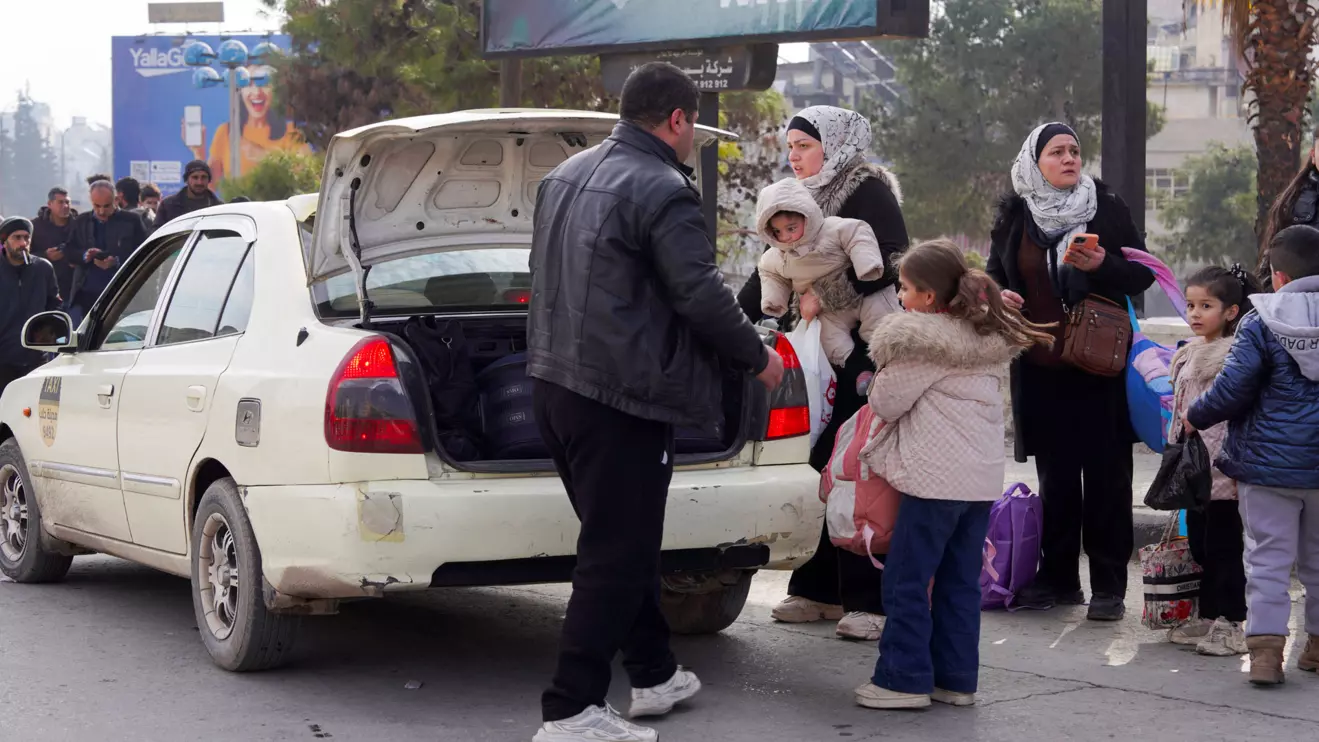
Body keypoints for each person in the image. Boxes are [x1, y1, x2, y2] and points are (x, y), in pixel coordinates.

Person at [527, 62, 784, 742]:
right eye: (691, 125)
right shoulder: (663, 188)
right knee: (615, 551)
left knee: (625, 541)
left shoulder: (564, 175)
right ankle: (570, 709)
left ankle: (653, 673)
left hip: (554, 384)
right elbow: (699, 293)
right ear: (677, 120)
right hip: (622, 398)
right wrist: (757, 357)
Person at [854, 240, 1053, 710]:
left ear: (928, 297)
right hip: (979, 483)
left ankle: (902, 681)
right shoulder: (986, 337)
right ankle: (956, 679)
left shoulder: (922, 344)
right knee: (959, 582)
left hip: (933, 480)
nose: (900, 296)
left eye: (905, 288)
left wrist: (877, 376)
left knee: (907, 579)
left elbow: (885, 402)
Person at [744, 105, 910, 642]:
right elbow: (770, 265)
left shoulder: (868, 189)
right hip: (815, 351)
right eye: (790, 146)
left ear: (833, 145)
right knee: (818, 462)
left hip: (865, 348)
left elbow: (891, 262)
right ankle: (818, 589)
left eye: (804, 145)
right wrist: (731, 324)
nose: (794, 156)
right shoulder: (794, 198)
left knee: (855, 468)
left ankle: (868, 600)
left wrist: (823, 295)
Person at [986, 122, 1155, 621]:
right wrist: (1000, 295)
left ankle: (1108, 587)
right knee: (1056, 480)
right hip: (1041, 366)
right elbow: (994, 275)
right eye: (1056, 152)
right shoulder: (1015, 215)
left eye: (1074, 151)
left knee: (1107, 479)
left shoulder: (1105, 206)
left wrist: (1102, 262)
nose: (1069, 159)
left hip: (1099, 367)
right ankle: (1059, 580)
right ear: (1034, 162)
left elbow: (1142, 274)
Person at [1187, 225, 1319, 686]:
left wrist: (1195, 415)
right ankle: (1316, 648)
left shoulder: (1261, 320)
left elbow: (1232, 389)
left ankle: (1265, 654)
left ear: (1279, 276)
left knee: (1267, 558)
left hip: (1267, 466)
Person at [1164, 265, 1258, 657]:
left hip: (1223, 469)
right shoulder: (1189, 352)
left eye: (1206, 305)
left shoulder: (1235, 355)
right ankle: (1207, 614)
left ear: (1231, 311)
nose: (1196, 313)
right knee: (1200, 546)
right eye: (1191, 305)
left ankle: (1232, 623)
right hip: (1194, 468)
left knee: (1224, 547)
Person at [755, 178, 897, 366]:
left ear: (807, 217)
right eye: (778, 232)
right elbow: (769, 273)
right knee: (827, 339)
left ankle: (890, 364)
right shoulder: (778, 255)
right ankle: (858, 370)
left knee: (881, 323)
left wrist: (867, 264)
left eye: (791, 228)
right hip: (827, 311)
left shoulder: (832, 229)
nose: (786, 236)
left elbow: (857, 234)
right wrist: (774, 302)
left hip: (864, 292)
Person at [182, 64, 311, 182]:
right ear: (240, 91)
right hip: (236, 201)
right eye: (249, 84)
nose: (257, 92)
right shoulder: (226, 132)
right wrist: (198, 152)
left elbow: (308, 176)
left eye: (264, 84)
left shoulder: (293, 132)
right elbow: (209, 186)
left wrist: (265, 156)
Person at [66, 180, 148, 325]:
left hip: (122, 291)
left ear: (116, 200)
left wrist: (116, 261)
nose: (101, 212)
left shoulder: (132, 221)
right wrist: (85, 255)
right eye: (97, 206)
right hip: (87, 293)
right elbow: (69, 250)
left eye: (106, 206)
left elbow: (143, 252)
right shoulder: (81, 221)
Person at [0, 217, 62, 393]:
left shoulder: (43, 268)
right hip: (3, 357)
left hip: (35, 356)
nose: (23, 243)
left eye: (26, 238)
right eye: (17, 237)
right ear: (4, 241)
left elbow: (54, 304)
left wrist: (47, 331)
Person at [30, 187, 77, 303]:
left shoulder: (79, 225)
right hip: (44, 287)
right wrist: (45, 255)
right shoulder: (36, 226)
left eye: (67, 202)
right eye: (60, 202)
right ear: (50, 204)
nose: (65, 206)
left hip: (73, 287)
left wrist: (74, 257)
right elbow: (25, 256)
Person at [154, 160, 223, 229]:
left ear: (209, 180)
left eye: (204, 177)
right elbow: (156, 232)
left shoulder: (219, 208)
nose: (199, 182)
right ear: (186, 180)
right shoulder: (168, 205)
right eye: (195, 177)